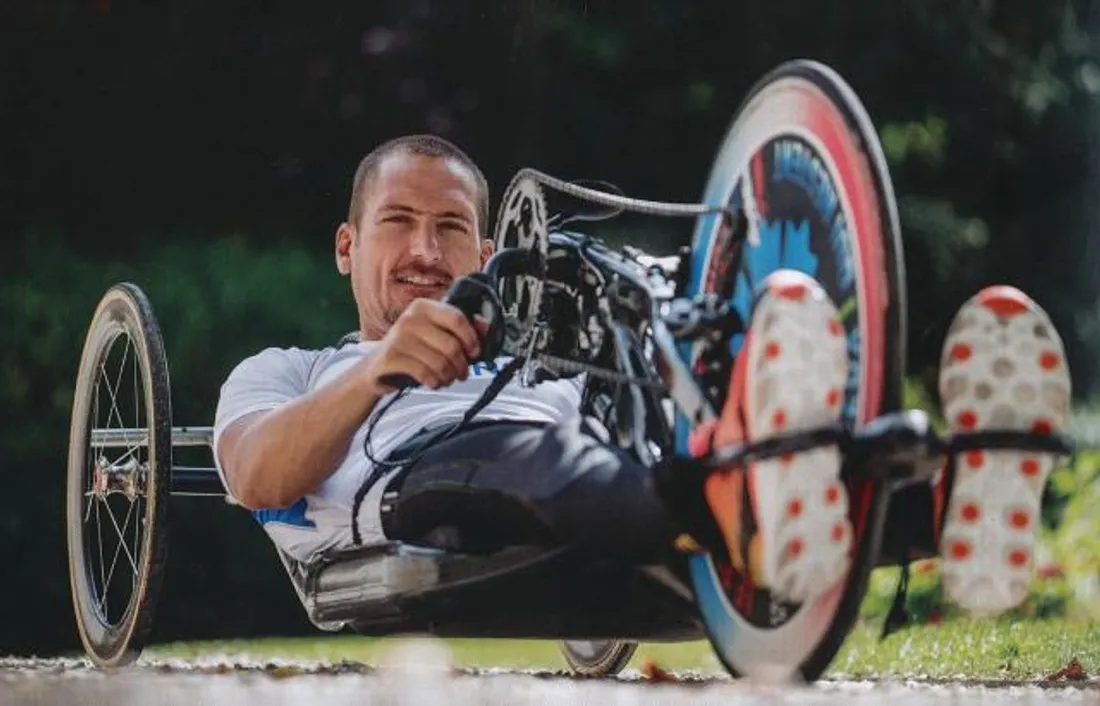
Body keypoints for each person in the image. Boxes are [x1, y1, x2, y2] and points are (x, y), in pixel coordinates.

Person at [213, 133, 1072, 616]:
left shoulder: (531, 348)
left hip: (623, 474)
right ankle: (743, 491)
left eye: (451, 229)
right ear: (347, 247)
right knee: (530, 454)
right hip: (429, 489)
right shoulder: (293, 371)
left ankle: (950, 499)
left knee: (632, 437)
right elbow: (257, 474)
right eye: (398, 222)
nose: (425, 251)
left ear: (486, 253)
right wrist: (378, 376)